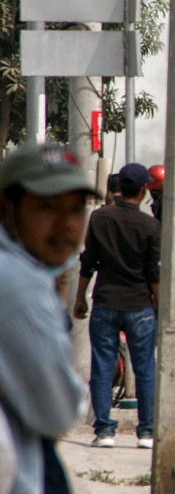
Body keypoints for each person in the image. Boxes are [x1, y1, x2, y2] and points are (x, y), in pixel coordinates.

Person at [0, 143, 92, 492]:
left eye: (77, 208)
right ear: (7, 208)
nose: (67, 225)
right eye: (48, 207)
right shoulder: (20, 287)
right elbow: (57, 412)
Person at [74, 162, 161, 450]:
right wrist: (159, 306)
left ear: (120, 187)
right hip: (139, 306)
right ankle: (146, 432)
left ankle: (104, 431)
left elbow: (88, 262)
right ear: (144, 189)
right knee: (146, 368)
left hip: (106, 302)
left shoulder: (100, 218)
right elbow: (154, 273)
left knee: (102, 367)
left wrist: (79, 298)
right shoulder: (150, 225)